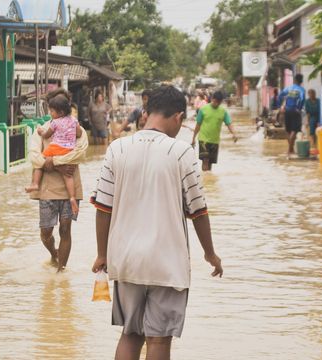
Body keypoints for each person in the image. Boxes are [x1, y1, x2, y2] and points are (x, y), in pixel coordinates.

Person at [91, 86, 223, 360]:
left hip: (126, 259)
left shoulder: (117, 148)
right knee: (159, 340)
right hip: (167, 263)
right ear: (177, 116)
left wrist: (102, 253)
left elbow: (103, 208)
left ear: (147, 111)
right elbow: (198, 211)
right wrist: (210, 254)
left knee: (130, 334)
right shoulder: (182, 153)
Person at [29, 89, 89, 272]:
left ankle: (61, 270)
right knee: (46, 232)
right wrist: (58, 165)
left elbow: (81, 153)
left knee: (65, 229)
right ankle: (54, 254)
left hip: (70, 186)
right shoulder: (43, 130)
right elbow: (34, 157)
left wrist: (51, 162)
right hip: (47, 188)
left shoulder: (77, 129)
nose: (51, 113)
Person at [26, 94, 83, 215]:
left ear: (60, 111)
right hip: (68, 151)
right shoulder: (74, 121)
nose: (50, 113)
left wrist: (41, 132)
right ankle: (72, 197)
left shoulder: (54, 123)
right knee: (68, 176)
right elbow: (79, 135)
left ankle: (35, 183)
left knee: (40, 160)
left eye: (51, 110)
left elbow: (46, 137)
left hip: (56, 148)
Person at [191, 90, 238, 171]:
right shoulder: (203, 109)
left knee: (210, 163)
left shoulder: (223, 112)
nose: (216, 103)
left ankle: (208, 181)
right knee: (205, 161)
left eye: (218, 102)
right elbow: (198, 125)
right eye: (215, 101)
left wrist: (234, 134)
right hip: (203, 139)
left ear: (220, 102)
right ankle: (205, 181)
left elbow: (229, 123)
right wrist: (193, 138)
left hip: (215, 141)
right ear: (212, 99)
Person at [278, 74, 306, 155]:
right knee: (295, 130)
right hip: (295, 111)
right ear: (301, 81)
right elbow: (302, 99)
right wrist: (299, 108)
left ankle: (291, 149)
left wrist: (281, 106)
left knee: (288, 130)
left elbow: (280, 96)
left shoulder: (288, 88)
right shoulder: (301, 89)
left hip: (287, 110)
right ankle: (290, 149)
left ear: (295, 80)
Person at [304, 89, 321, 154]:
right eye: (310, 94)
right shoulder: (307, 102)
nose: (311, 95)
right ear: (308, 95)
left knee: (317, 124)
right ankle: (313, 144)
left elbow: (320, 111)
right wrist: (307, 122)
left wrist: (319, 121)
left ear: (315, 94)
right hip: (312, 117)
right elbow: (308, 113)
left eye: (312, 93)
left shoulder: (318, 101)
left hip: (318, 116)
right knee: (312, 122)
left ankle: (317, 145)